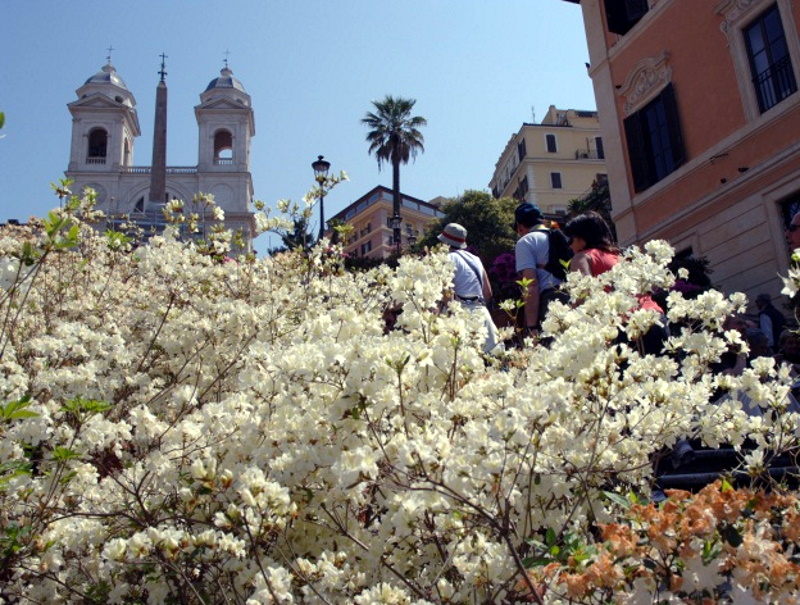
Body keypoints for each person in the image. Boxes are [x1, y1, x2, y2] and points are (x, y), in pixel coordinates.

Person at [563, 211, 668, 355]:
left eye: (571, 240)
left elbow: (584, 297)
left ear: (583, 239)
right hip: (656, 317)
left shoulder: (582, 258)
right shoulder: (622, 257)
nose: (570, 246)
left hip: (626, 326)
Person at [437, 223, 501, 354]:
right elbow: (488, 293)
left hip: (460, 315)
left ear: (445, 242)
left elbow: (448, 295)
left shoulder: (446, 259)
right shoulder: (476, 259)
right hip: (482, 313)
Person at [513, 202, 569, 338]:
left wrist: (531, 326)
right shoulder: (560, 237)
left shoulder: (526, 242)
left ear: (520, 226)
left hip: (549, 301)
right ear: (542, 221)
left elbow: (531, 285)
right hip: (571, 298)